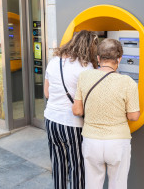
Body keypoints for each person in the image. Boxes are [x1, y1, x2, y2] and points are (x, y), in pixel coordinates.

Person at [72, 39, 140, 189]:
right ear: (119, 59)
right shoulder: (127, 82)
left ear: (98, 58)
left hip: (91, 141)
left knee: (92, 185)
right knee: (118, 185)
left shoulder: (84, 76)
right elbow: (133, 116)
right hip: (117, 143)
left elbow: (77, 110)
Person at [44, 30, 99, 189]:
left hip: (51, 120)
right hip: (72, 124)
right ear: (90, 48)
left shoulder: (54, 61)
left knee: (58, 163)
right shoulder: (87, 68)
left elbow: (47, 93)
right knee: (77, 167)